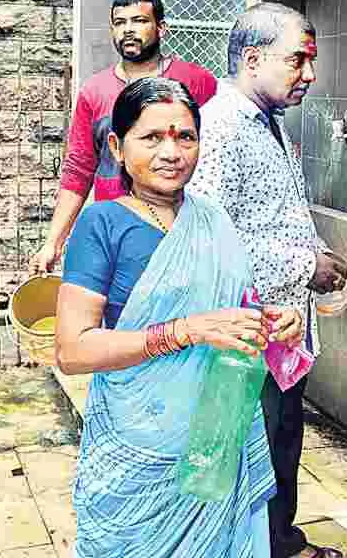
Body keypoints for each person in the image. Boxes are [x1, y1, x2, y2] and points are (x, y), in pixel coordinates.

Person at [55, 77, 304, 558]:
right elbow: (73, 349)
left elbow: (233, 309)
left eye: (185, 137)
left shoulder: (214, 220)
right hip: (137, 448)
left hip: (213, 440)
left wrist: (272, 322)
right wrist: (185, 331)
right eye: (152, 137)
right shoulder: (101, 224)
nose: (171, 152)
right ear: (117, 147)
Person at [187, 3, 347, 558]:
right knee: (247, 452)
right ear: (253, 60)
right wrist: (306, 267)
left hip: (283, 331)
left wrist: (317, 253)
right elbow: (212, 237)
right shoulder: (220, 127)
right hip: (246, 336)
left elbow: (276, 215)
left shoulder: (270, 123)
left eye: (311, 60)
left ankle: (280, 541)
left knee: (282, 441)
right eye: (297, 60)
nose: (310, 74)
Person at [29, 0, 219, 273]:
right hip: (118, 233)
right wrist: (53, 243)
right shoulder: (94, 91)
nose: (128, 30)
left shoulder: (196, 81)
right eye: (120, 23)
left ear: (161, 28)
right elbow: (79, 168)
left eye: (139, 21)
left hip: (182, 231)